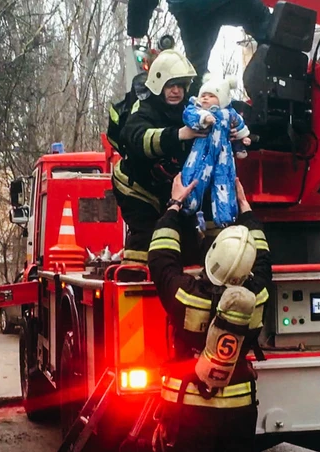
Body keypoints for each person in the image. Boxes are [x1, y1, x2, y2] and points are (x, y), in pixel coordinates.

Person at [147, 173, 271, 452]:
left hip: (190, 411)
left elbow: (160, 258)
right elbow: (263, 259)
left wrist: (174, 204)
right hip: (240, 412)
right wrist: (245, 207)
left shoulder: (185, 296)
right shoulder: (258, 295)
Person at [112, 49, 205, 266]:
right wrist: (178, 135)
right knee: (146, 237)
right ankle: (134, 276)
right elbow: (137, 139)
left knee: (187, 243)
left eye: (180, 85)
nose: (176, 91)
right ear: (158, 85)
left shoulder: (191, 110)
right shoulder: (144, 109)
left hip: (169, 189)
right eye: (170, 85)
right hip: (136, 187)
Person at [126, 0, 272, 95]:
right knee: (264, 22)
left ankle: (194, 107)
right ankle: (272, 77)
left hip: (187, 8)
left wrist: (137, 28)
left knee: (196, 66)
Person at [181, 74, 251, 230]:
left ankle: (225, 217)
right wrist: (204, 118)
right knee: (194, 176)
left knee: (224, 181)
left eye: (211, 96)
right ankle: (188, 204)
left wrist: (243, 136)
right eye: (203, 95)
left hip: (223, 155)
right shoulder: (197, 108)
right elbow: (189, 115)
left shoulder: (229, 113)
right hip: (202, 152)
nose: (206, 98)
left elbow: (239, 124)